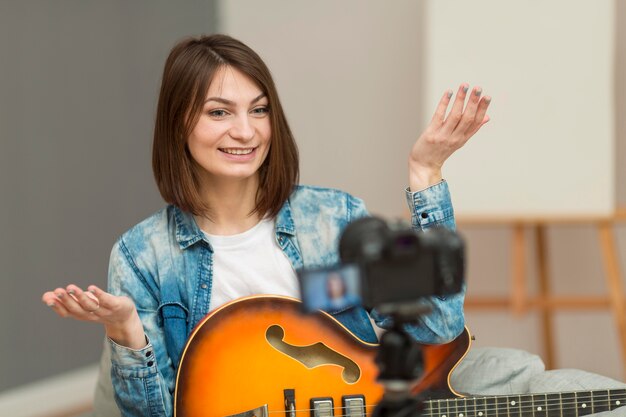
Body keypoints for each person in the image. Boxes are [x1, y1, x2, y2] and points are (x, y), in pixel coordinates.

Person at [41, 34, 491, 416]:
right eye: (219, 112)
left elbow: (436, 330)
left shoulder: (334, 219)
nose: (246, 131)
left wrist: (425, 173)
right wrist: (125, 332)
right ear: (179, 124)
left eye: (258, 110)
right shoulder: (142, 256)